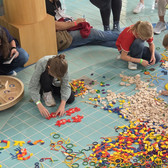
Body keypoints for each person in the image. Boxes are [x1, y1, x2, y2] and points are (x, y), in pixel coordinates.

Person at [45, 0, 120, 50]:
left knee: (95, 39)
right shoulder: (45, 5)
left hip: (63, 32)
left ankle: (125, 46)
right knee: (93, 33)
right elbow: (55, 26)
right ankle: (126, 37)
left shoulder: (55, 2)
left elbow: (60, 17)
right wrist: (74, 23)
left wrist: (73, 22)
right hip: (59, 37)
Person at [29, 54, 75, 118]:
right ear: (49, 67)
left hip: (55, 83)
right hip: (44, 81)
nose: (56, 77)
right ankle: (46, 92)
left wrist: (62, 104)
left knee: (70, 99)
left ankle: (52, 90)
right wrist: (38, 104)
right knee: (46, 76)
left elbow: (65, 85)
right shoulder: (42, 63)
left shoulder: (64, 66)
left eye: (58, 76)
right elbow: (33, 86)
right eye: (54, 75)